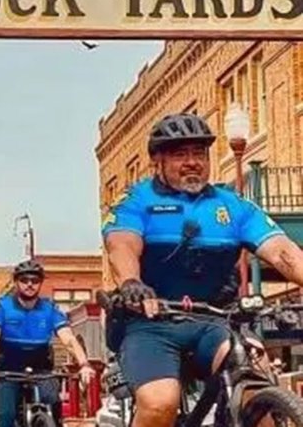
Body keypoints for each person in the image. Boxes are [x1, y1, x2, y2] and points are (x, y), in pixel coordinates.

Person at [102, 112, 303, 427]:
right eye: (180, 154)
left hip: (215, 321)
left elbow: (284, 254)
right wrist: (131, 282)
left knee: (257, 392)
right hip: (151, 323)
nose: (192, 162)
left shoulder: (232, 204)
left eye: (199, 153)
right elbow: (122, 245)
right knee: (159, 403)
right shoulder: (138, 200)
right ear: (158, 160)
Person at [0, 259, 95, 427]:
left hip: (41, 368)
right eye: (24, 280)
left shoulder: (50, 308)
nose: (29, 284)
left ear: (40, 283)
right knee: (6, 417)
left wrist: (84, 364)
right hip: (7, 369)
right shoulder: (3, 306)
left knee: (54, 407)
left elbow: (68, 338)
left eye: (35, 280)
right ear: (16, 282)